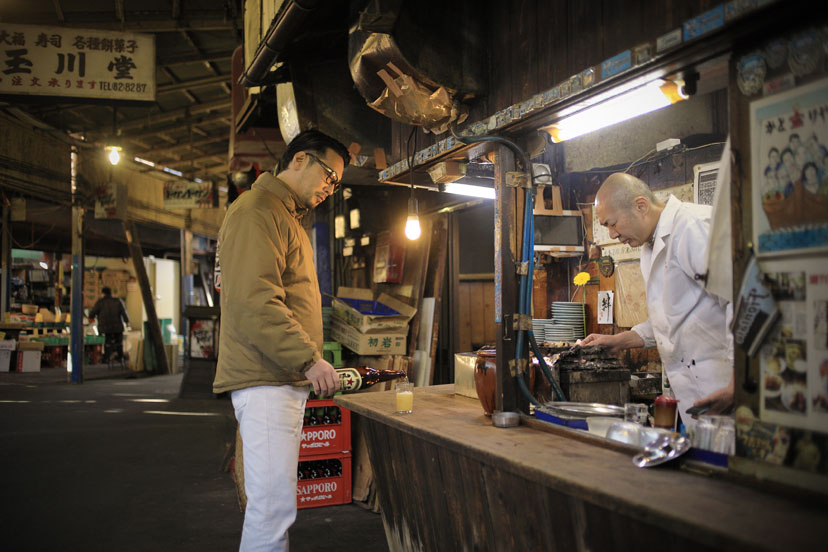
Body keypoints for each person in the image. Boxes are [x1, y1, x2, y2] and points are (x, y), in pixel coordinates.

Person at [213, 129, 349, 551]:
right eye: (329, 175)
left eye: (336, 183)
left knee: (273, 505)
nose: (330, 187)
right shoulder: (258, 211)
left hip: (275, 377)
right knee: (271, 510)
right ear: (299, 159)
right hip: (266, 378)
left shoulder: (280, 214)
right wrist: (309, 359)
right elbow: (255, 302)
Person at [581, 173, 733, 427]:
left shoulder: (692, 227)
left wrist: (739, 383)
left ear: (641, 206)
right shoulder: (648, 247)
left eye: (613, 223)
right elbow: (668, 319)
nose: (612, 234)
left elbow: (738, 300)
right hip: (696, 396)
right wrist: (620, 340)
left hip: (725, 388)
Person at [88, 286, 130, 365]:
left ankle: (106, 358)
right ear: (111, 293)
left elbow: (93, 312)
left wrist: (91, 318)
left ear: (103, 294)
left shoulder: (100, 302)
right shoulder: (118, 301)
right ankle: (120, 357)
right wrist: (127, 322)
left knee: (107, 342)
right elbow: (124, 312)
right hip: (118, 327)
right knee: (119, 343)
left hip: (105, 327)